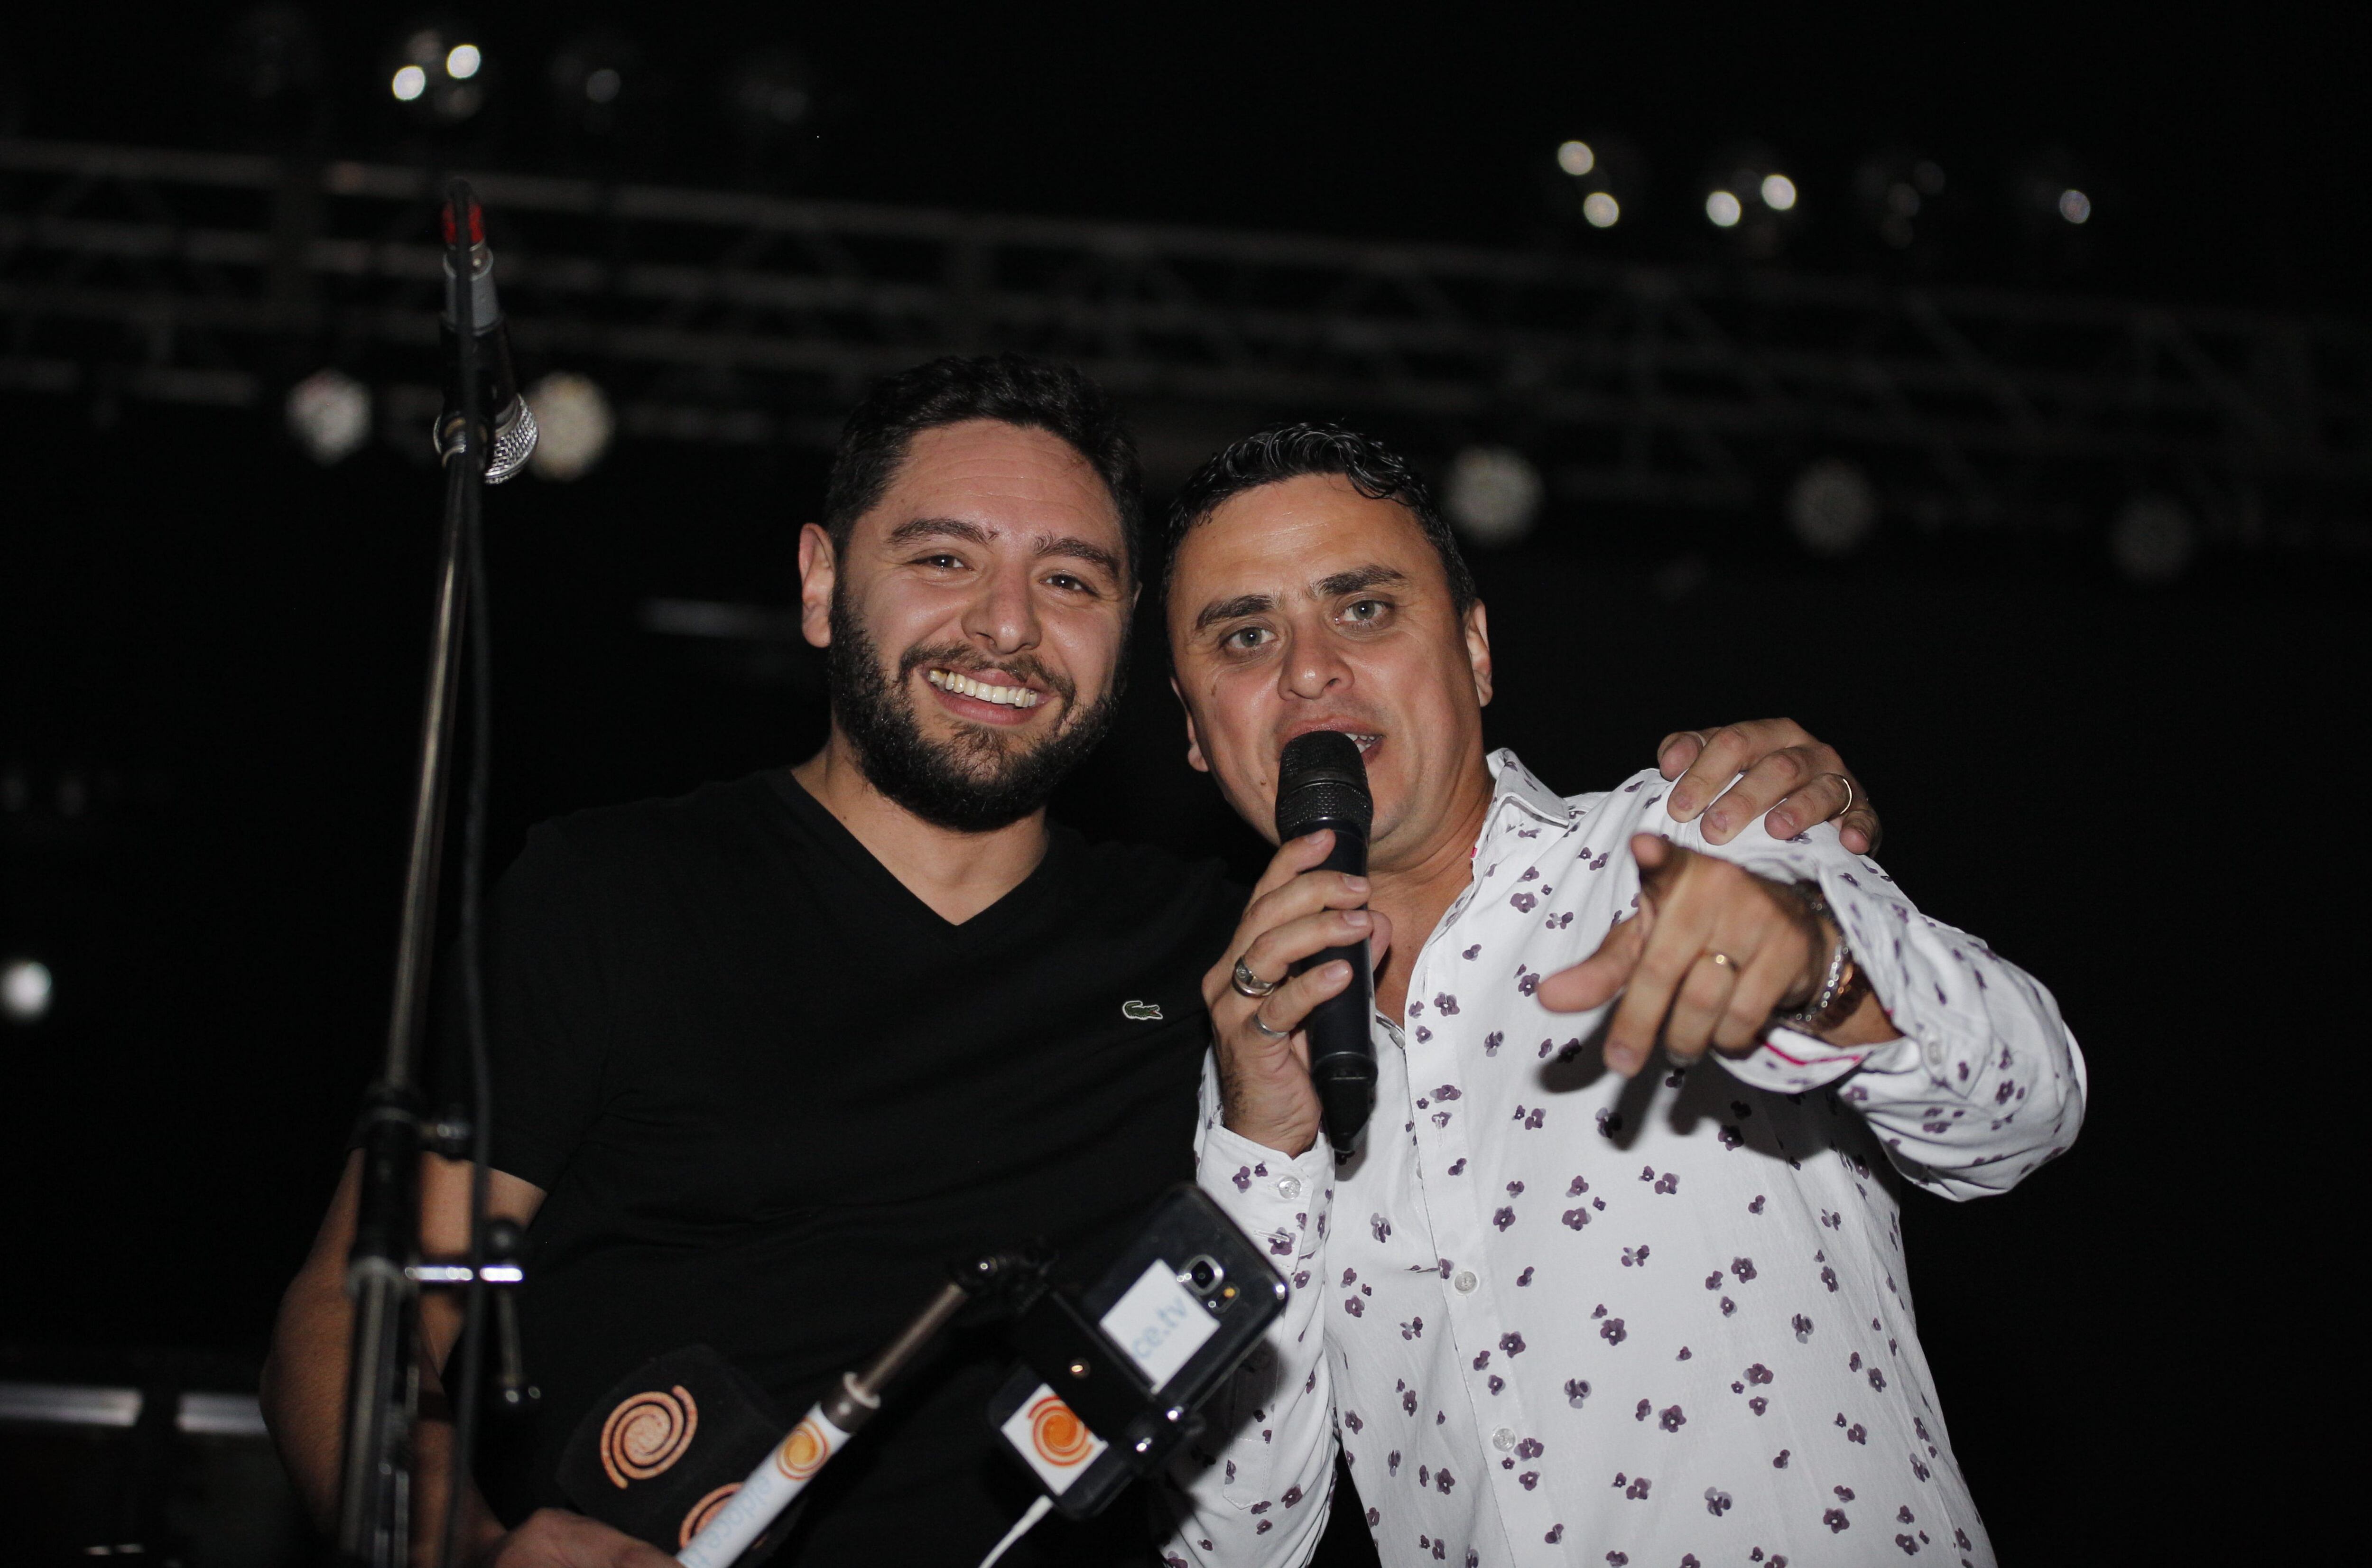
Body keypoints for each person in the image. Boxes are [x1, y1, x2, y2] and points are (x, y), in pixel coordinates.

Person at [260, 357, 1881, 1568]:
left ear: (1140, 665)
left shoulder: (1220, 955)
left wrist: (1773, 813)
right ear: (825, 583)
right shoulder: (615, 889)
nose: (1006, 626)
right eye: (945, 556)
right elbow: (359, 1315)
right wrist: (466, 1553)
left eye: (1073, 580)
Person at [1156, 424, 2085, 1568]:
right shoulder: (1249, 1064)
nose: (1306, 670)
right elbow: (1233, 1547)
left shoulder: (1686, 834)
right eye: (1245, 636)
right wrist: (1258, 1150)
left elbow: (2028, 1109)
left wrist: (1820, 975)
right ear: (1197, 731)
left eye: (1363, 609)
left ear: (1477, 650)